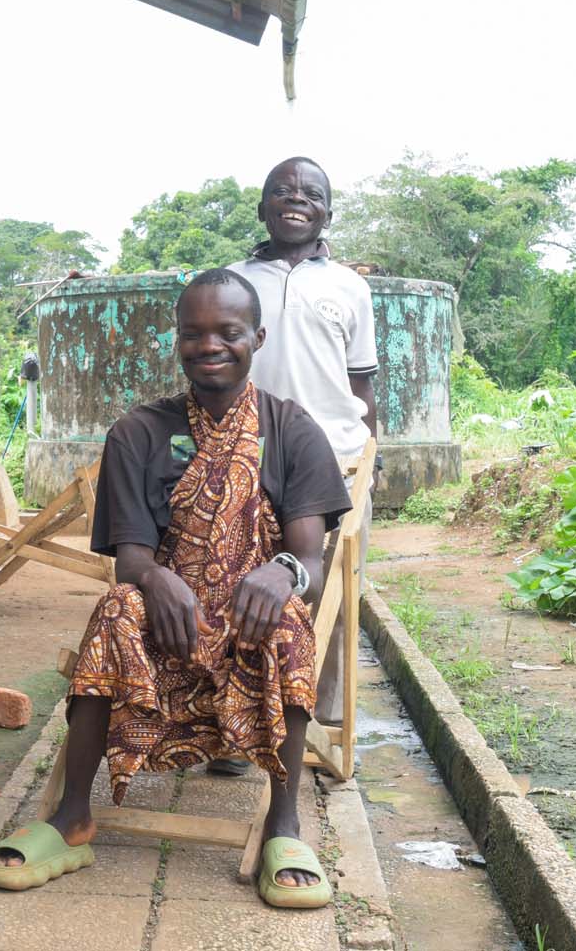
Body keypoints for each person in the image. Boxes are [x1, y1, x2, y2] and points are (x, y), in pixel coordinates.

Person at [0, 268, 350, 908]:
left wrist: (279, 570)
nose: (210, 345)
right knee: (117, 605)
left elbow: (311, 562)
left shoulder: (292, 431)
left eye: (228, 332)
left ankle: (284, 826)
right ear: (177, 342)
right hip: (165, 629)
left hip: (250, 629)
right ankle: (72, 817)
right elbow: (130, 561)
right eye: (193, 333)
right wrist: (153, 580)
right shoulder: (139, 433)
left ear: (256, 337)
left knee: (290, 619)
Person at [221, 156, 377, 753]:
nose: (296, 199)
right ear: (263, 208)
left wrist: (369, 460)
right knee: (240, 586)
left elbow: (360, 386)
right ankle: (235, 731)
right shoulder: (231, 282)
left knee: (330, 597)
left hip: (334, 461)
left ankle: (317, 728)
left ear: (327, 214)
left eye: (310, 192)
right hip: (244, 457)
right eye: (281, 191)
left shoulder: (350, 287)